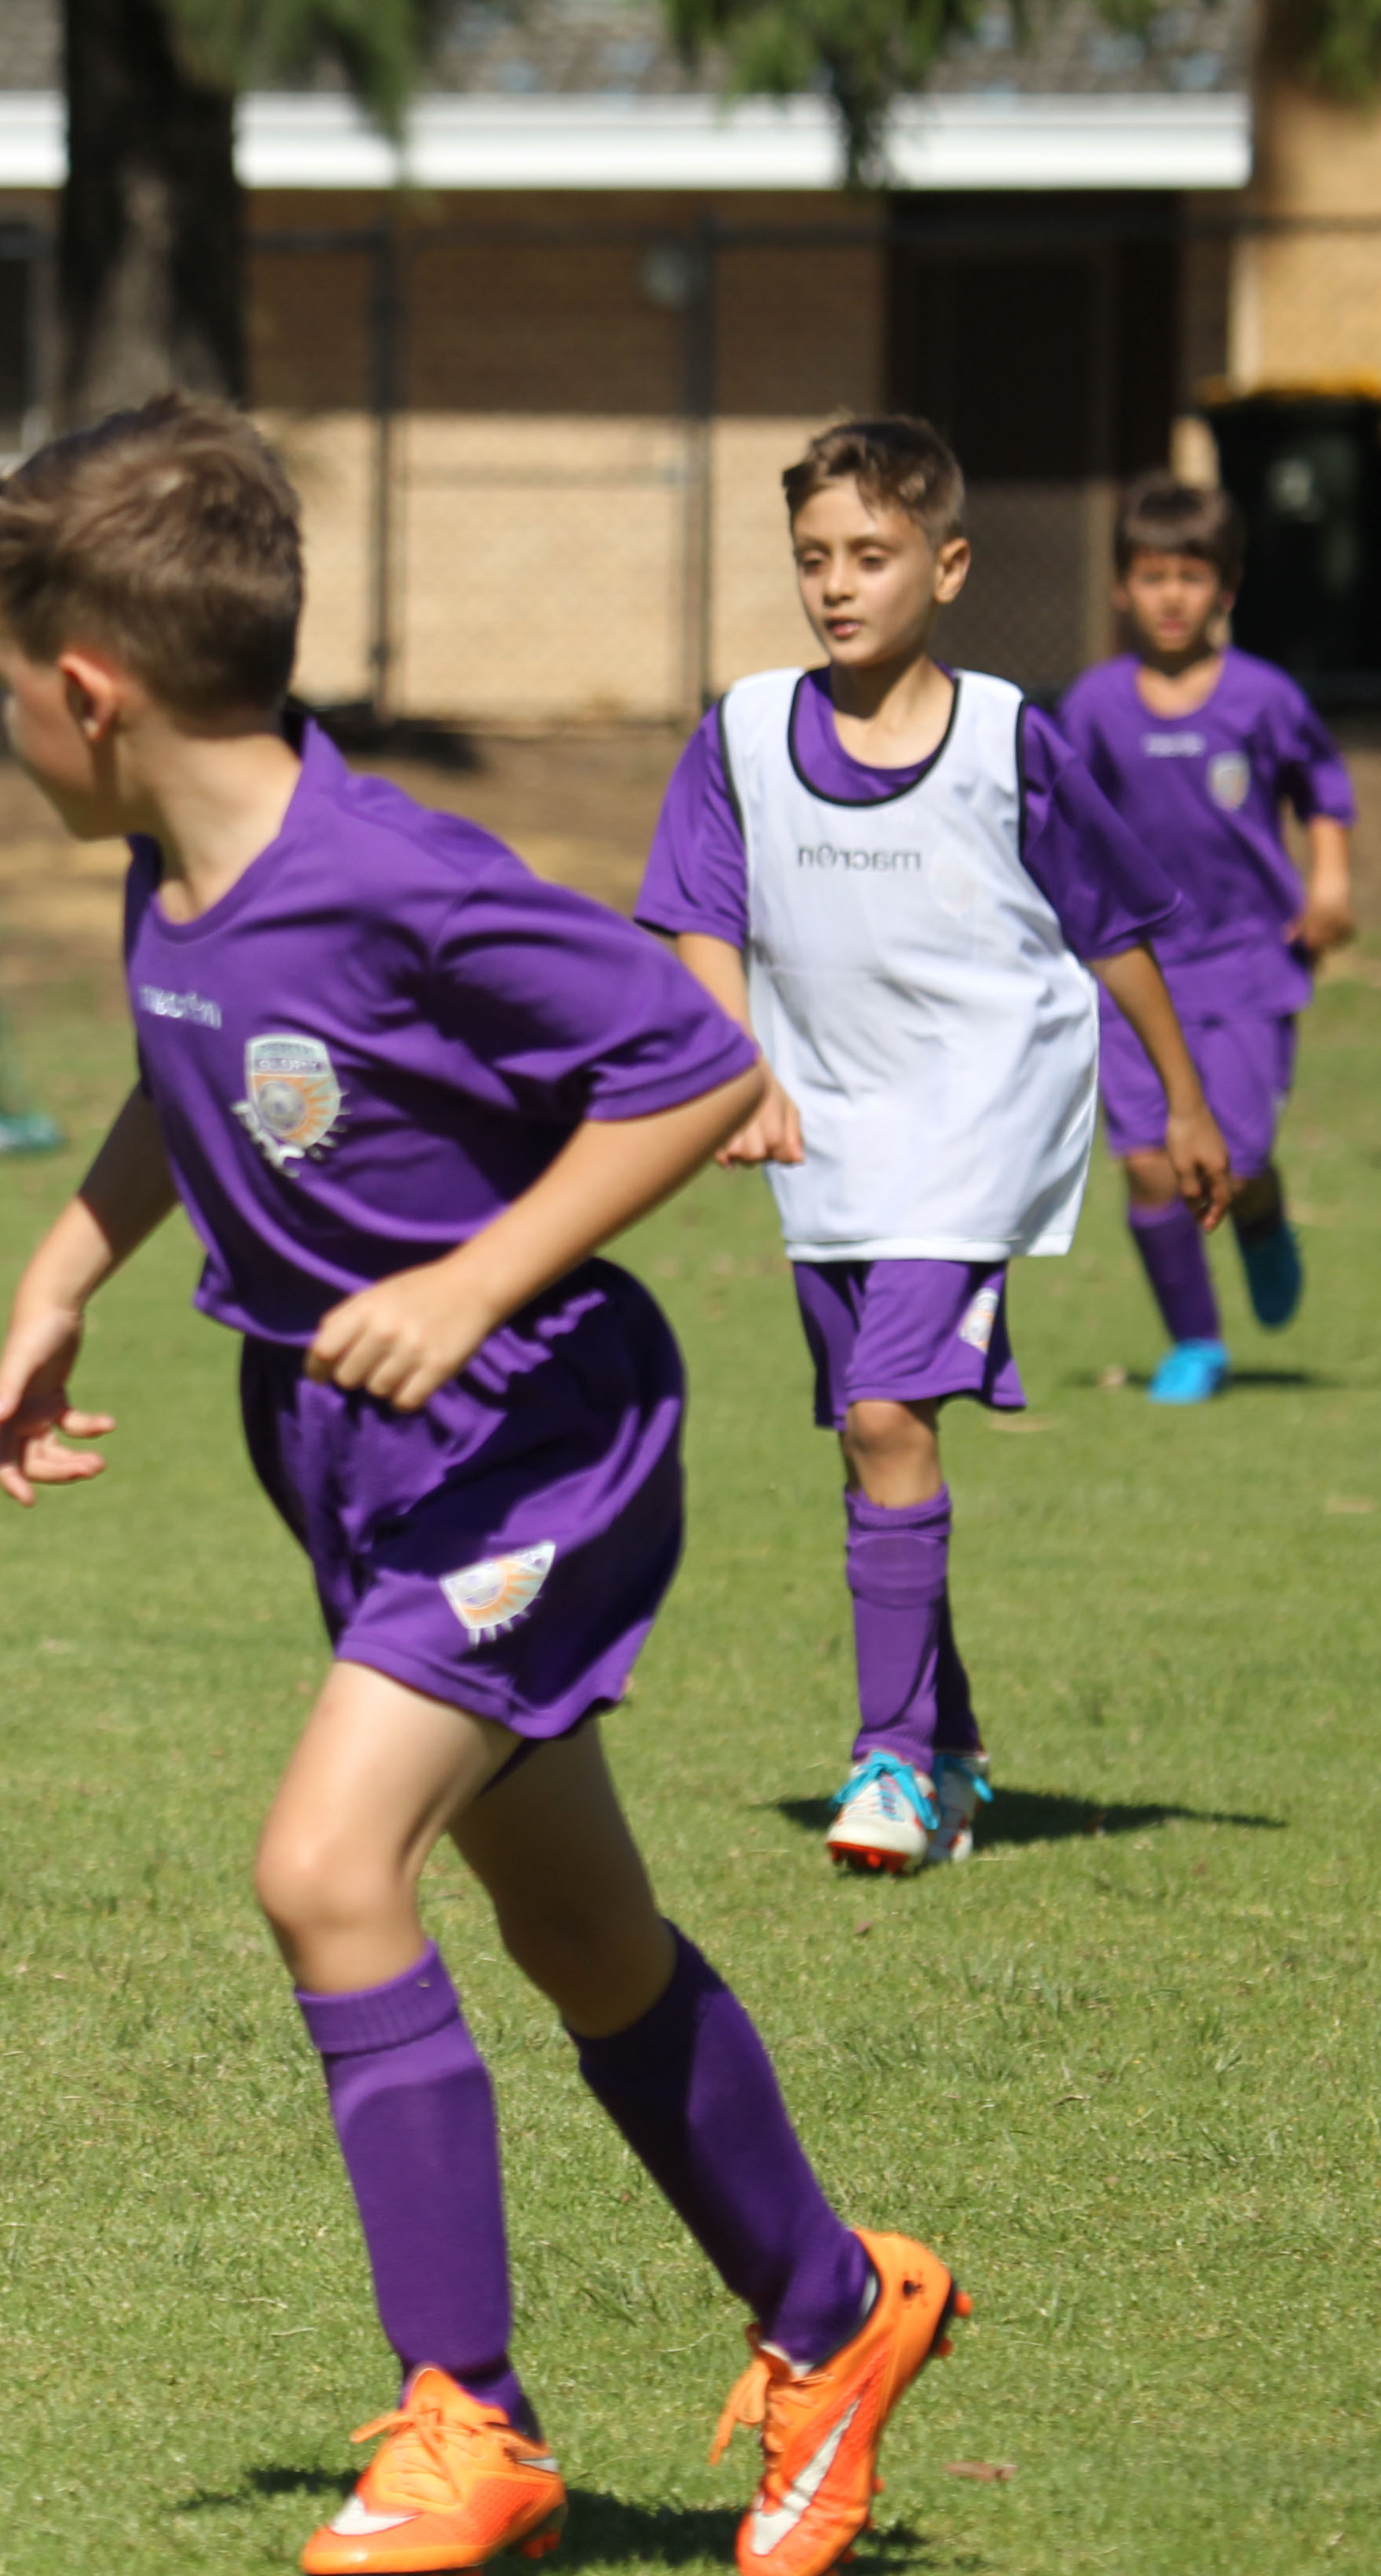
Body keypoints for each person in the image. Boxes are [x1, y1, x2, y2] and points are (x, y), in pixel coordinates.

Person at [0, 397, 959, 2576]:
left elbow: (694, 1072)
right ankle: (837, 2308)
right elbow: (192, 1073)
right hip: (352, 1460)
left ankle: (466, 2418)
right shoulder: (180, 864)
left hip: (536, 1443)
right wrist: (66, 1271)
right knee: (583, 1936)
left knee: (327, 1868)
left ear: (86, 690)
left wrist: (475, 1269)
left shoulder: (398, 875)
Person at [637, 419, 1230, 1878]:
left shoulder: (1007, 735)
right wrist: (740, 1067)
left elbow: (1113, 925)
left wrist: (1183, 1095)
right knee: (868, 1436)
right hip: (821, 1128)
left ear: (947, 565)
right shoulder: (743, 731)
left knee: (890, 1415)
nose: (837, 586)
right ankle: (950, 1746)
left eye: (871, 555)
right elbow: (698, 911)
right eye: (813, 560)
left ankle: (889, 1764)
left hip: (980, 1123)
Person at [1056, 471, 1355, 1400]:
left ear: (1224, 588)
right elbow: (1063, 820)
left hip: (1250, 963)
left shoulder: (1264, 699)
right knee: (1148, 1164)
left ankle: (1262, 1217)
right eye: (1152, 576)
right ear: (1120, 587)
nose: (1171, 595)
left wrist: (1333, 880)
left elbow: (1323, 789)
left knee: (1238, 1155)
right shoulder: (1096, 706)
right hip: (1136, 971)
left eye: (1191, 576)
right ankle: (1197, 1344)